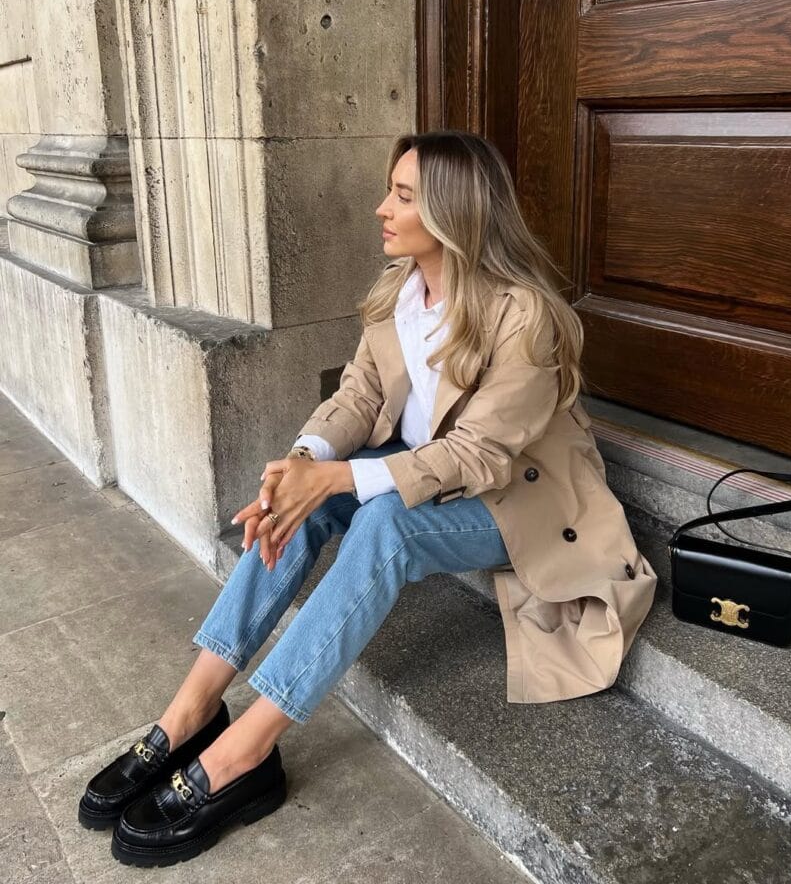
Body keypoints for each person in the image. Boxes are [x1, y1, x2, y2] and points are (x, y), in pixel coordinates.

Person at [79, 130, 657, 867]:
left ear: (455, 213)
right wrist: (301, 465)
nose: (382, 207)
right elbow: (358, 398)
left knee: (383, 522)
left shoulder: (524, 316)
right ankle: (191, 709)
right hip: (422, 470)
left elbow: (476, 455)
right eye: (390, 189)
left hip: (518, 501)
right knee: (306, 501)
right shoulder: (398, 294)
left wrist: (344, 477)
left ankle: (244, 753)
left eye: (404, 196)